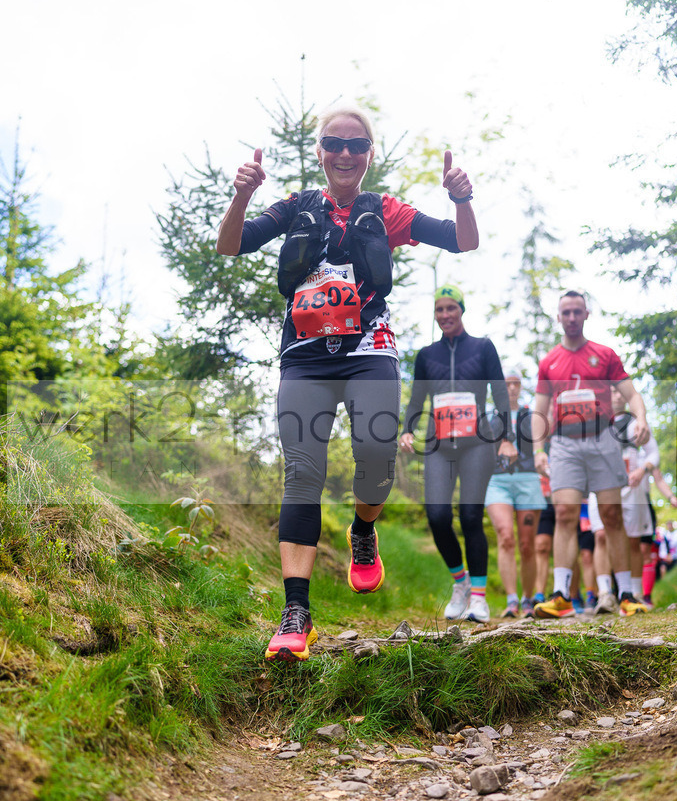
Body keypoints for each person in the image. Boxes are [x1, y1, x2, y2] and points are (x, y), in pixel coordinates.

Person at [216, 106, 479, 661]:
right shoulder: (297, 207)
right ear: (319, 151)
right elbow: (230, 245)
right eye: (334, 143)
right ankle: (296, 613)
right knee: (303, 473)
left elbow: (463, 242)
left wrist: (461, 197)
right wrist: (241, 194)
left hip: (369, 351)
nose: (344, 154)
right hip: (305, 357)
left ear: (368, 155)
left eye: (356, 146)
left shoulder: (385, 211)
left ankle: (364, 530)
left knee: (377, 454)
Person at [399, 286, 517, 622]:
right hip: (438, 445)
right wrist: (408, 428)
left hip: (478, 443)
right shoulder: (426, 355)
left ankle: (479, 599)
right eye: (439, 309)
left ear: (461, 310)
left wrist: (506, 438)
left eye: (451, 308)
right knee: (437, 516)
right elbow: (417, 397)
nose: (445, 315)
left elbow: (499, 392)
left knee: (469, 517)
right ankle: (461, 583)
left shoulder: (482, 347)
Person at [531, 289, 650, 619]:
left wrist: (640, 418)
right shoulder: (549, 361)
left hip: (603, 439)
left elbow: (631, 393)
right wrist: (539, 450)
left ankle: (626, 594)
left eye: (577, 312)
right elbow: (539, 410)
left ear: (586, 315)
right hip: (565, 445)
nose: (571, 318)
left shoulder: (605, 354)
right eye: (565, 312)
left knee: (611, 515)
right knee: (566, 514)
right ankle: (561, 595)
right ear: (558, 316)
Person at [484, 368, 545, 618]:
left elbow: (544, 443)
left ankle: (527, 599)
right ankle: (511, 600)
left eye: (515, 384)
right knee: (505, 537)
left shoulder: (531, 415)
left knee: (527, 544)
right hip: (497, 481)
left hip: (528, 480)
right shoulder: (489, 417)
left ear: (520, 387)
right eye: (506, 384)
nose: (511, 388)